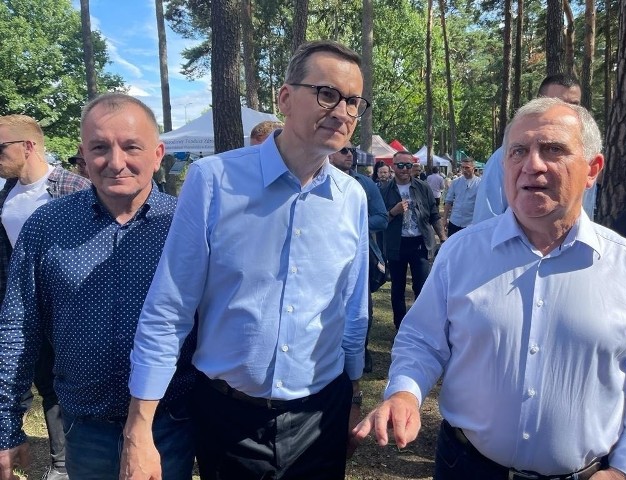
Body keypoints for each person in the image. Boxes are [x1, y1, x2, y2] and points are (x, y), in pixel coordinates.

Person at [122, 40, 370, 480]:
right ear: (285, 98)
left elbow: (352, 311)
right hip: (228, 419)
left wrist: (353, 400)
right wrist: (138, 428)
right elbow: (169, 308)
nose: (342, 111)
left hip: (321, 414)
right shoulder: (213, 180)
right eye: (327, 93)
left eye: (353, 101)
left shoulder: (351, 198)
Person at [354, 97, 626, 480]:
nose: (532, 164)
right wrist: (405, 391)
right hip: (467, 467)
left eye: (553, 149)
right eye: (518, 151)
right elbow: (422, 339)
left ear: (592, 169)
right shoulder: (461, 252)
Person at [0, 93, 197, 480]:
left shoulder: (186, 226)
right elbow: (18, 329)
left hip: (169, 422)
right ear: (83, 156)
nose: (116, 161)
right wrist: (6, 423)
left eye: (131, 146)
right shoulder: (47, 226)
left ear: (157, 154)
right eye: (100, 147)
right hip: (85, 425)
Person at [0, 115, 90, 480]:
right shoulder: (5, 194)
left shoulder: (73, 187)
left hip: (71, 313)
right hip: (26, 312)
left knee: (76, 386)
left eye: (1, 147)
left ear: (29, 146)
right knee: (46, 387)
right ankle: (60, 464)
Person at [472, 73, 599, 223]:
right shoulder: (504, 157)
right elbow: (486, 219)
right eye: (556, 102)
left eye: (573, 104)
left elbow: (586, 212)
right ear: (538, 102)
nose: (565, 110)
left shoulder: (585, 159)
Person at [329, 144, 388, 373]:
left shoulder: (364, 184)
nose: (350, 154)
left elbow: (382, 218)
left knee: (361, 308)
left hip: (357, 256)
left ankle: (360, 351)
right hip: (323, 258)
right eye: (343, 150)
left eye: (352, 150)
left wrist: (350, 225)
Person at [380, 151, 447, 329]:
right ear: (393, 167)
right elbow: (379, 221)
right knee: (397, 289)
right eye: (400, 165)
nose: (404, 169)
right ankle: (400, 329)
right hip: (396, 245)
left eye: (408, 165)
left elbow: (434, 214)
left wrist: (443, 237)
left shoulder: (423, 187)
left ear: (413, 167)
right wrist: (393, 212)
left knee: (423, 289)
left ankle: (422, 328)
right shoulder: (384, 190)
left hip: (420, 244)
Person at [443, 157, 481, 236]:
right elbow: (448, 201)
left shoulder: (480, 183)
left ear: (473, 168)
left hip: (471, 223)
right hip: (455, 221)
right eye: (462, 167)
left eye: (467, 167)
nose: (464, 170)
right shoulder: (455, 182)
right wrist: (444, 219)